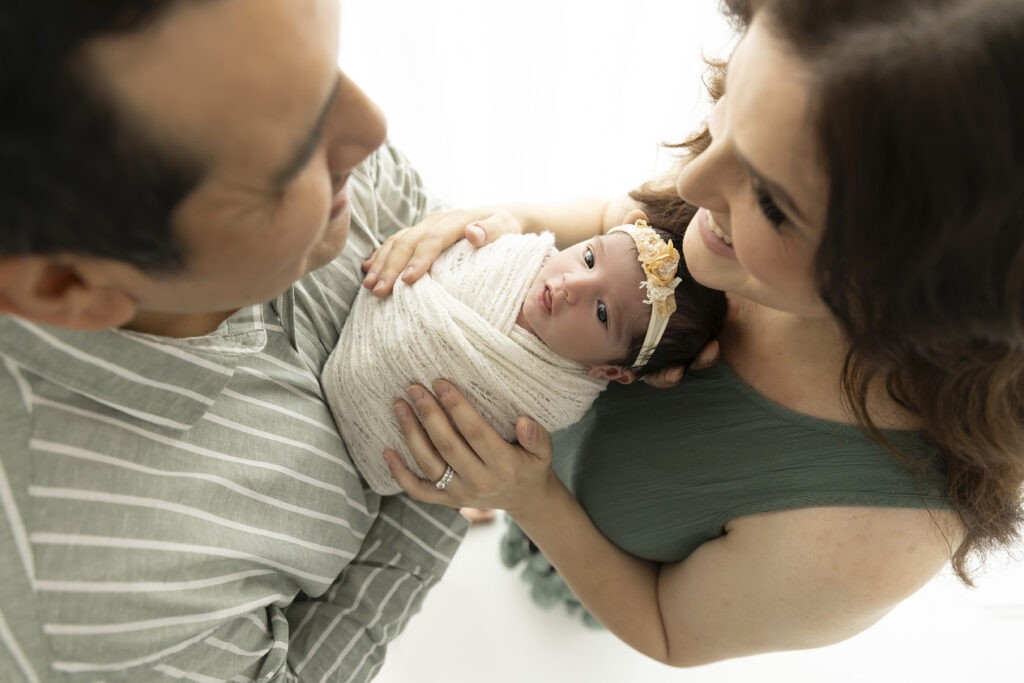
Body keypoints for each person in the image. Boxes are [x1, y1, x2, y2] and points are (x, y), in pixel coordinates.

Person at [362, 0, 1024, 667]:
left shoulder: (884, 527)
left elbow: (669, 628)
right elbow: (607, 215)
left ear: (915, 290)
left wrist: (528, 498)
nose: (691, 180)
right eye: (730, 105)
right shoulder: (756, 169)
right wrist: (505, 216)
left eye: (772, 201)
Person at [0, 1, 467, 681]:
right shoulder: (86, 610)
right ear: (66, 283)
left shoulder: (248, 91)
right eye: (291, 158)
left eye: (331, 65)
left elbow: (436, 235)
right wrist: (446, 483)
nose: (372, 132)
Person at [323, 222, 726, 494]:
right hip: (356, 320)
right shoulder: (517, 255)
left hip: (363, 454)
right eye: (588, 258)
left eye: (602, 312)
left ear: (609, 370)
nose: (572, 284)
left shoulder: (556, 396)